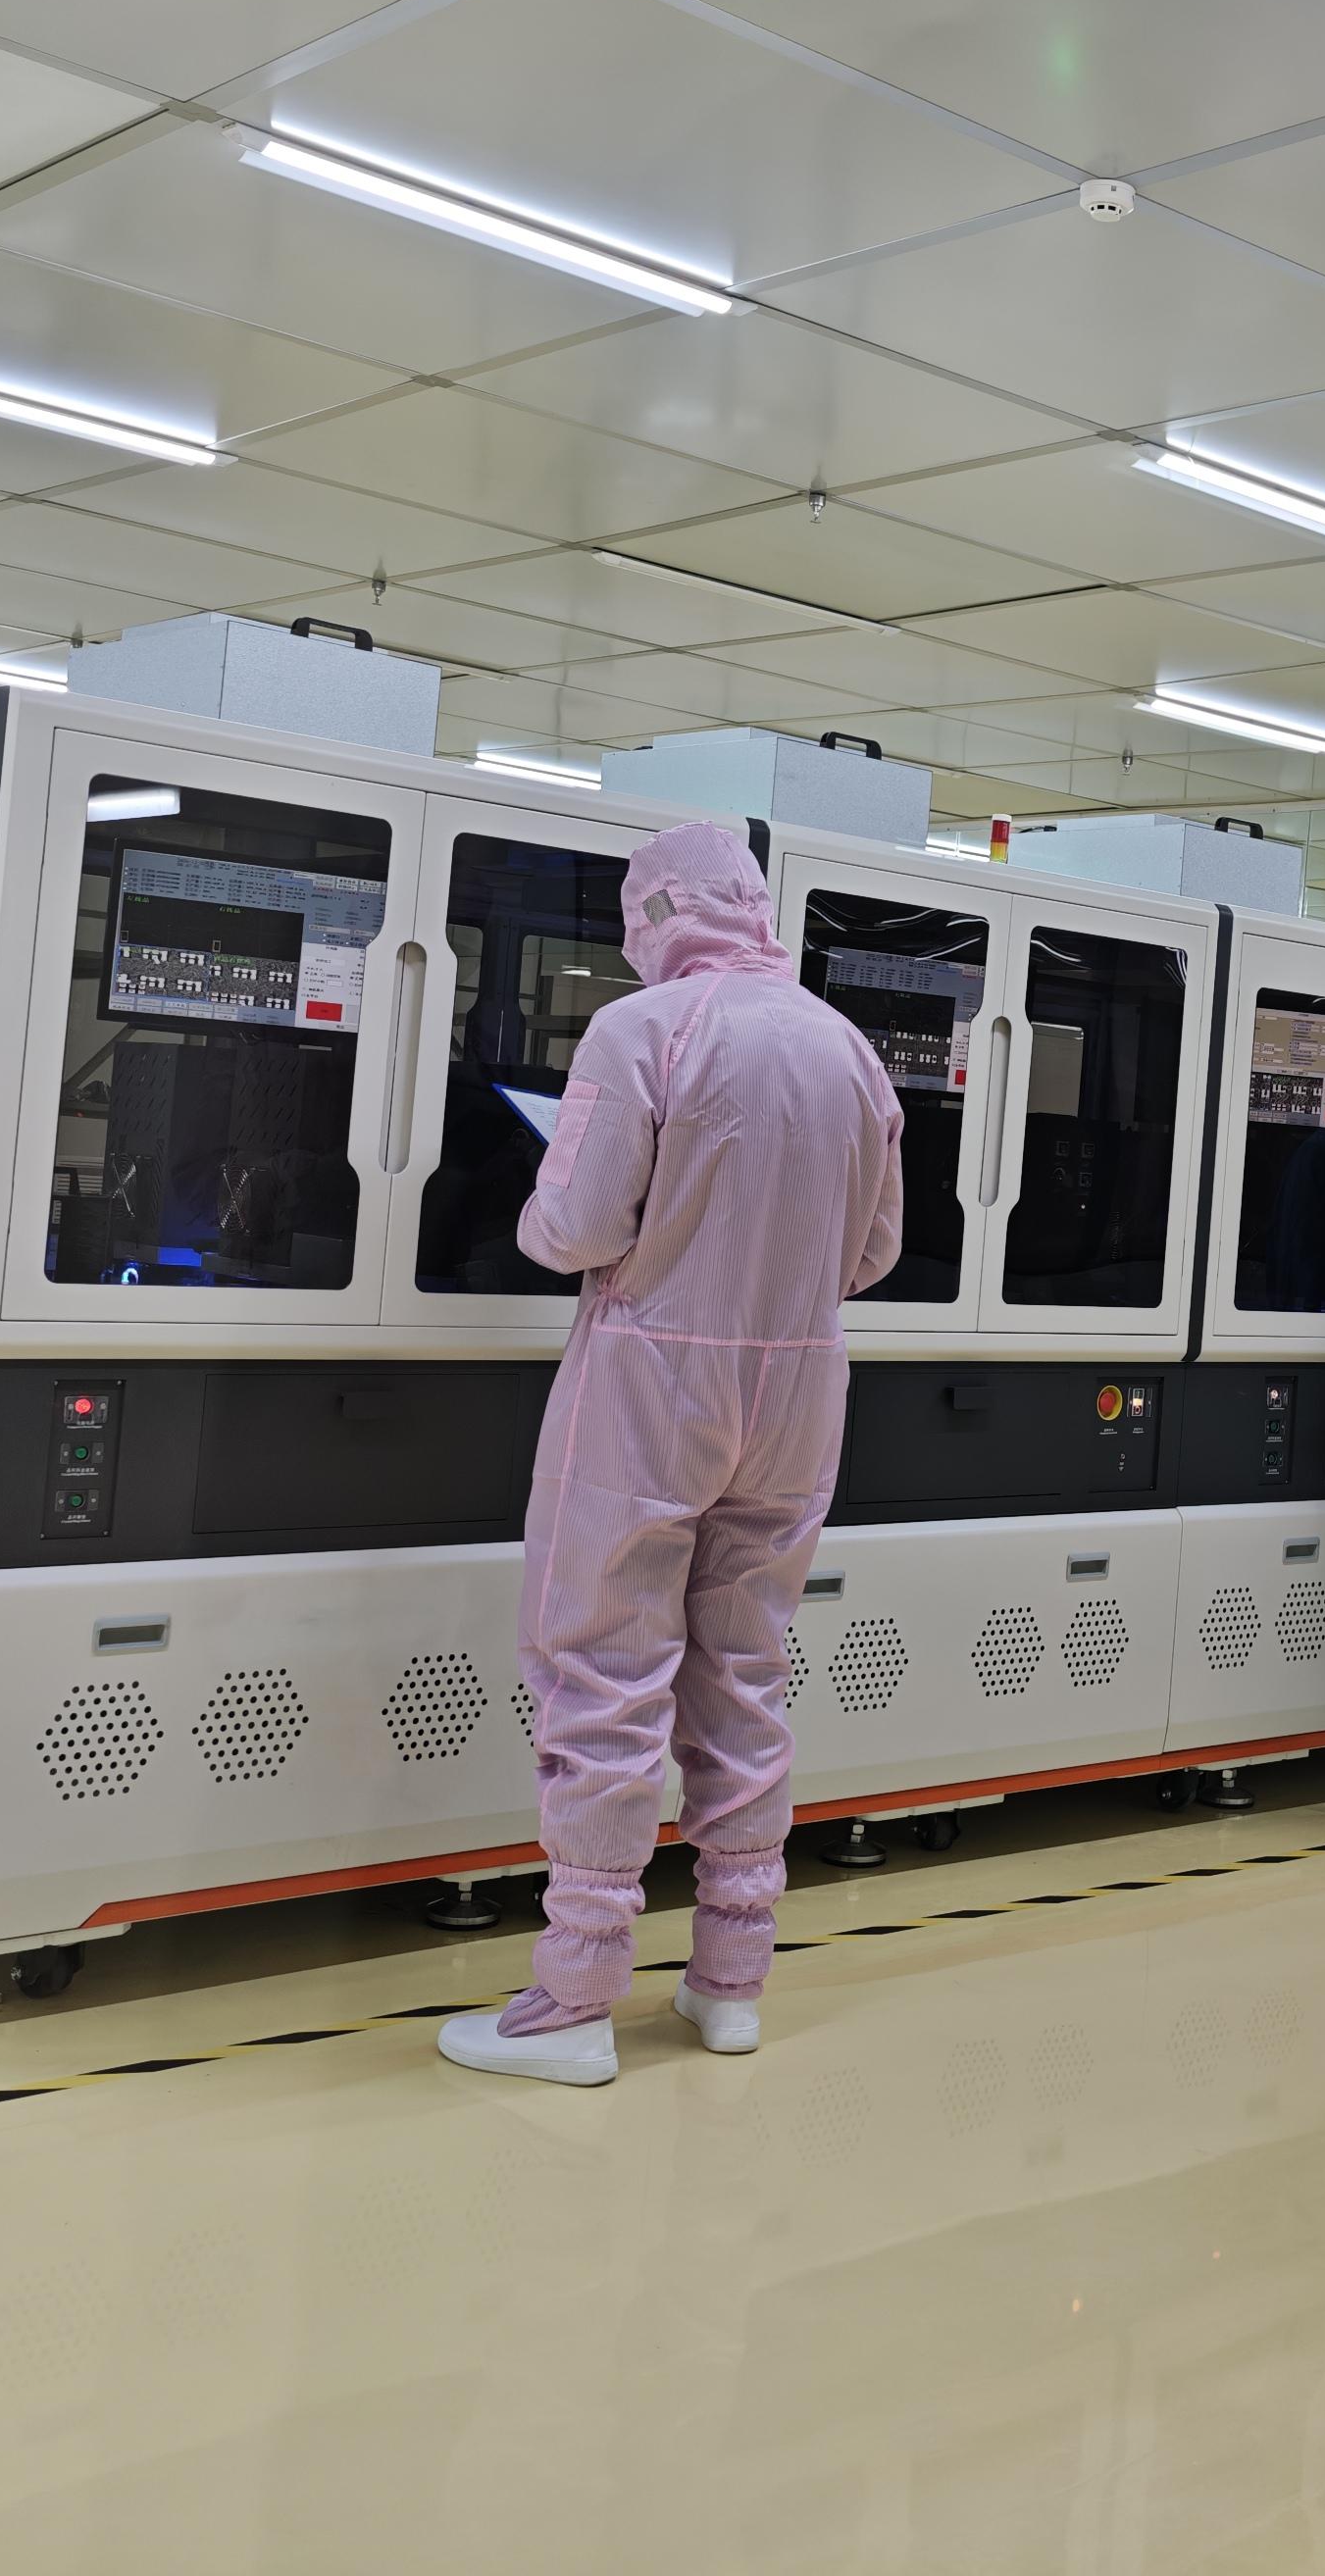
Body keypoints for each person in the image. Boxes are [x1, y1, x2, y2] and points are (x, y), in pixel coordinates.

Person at [438, 822, 902, 2085]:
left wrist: (534, 1206)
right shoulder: (846, 1047)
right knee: (744, 1670)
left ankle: (576, 2000)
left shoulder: (640, 1030)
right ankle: (729, 1982)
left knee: (602, 1670)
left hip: (652, 1383)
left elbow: (578, 1226)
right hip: (797, 1389)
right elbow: (872, 1253)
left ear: (659, 915)